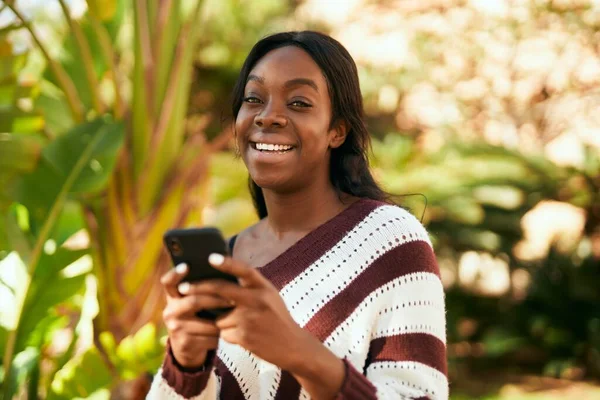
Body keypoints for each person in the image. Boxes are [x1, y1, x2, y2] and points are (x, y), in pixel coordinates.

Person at [147, 31, 447, 400]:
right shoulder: (227, 259)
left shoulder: (391, 242)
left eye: (299, 103)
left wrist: (300, 353)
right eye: (253, 98)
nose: (268, 116)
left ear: (337, 130)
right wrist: (186, 367)